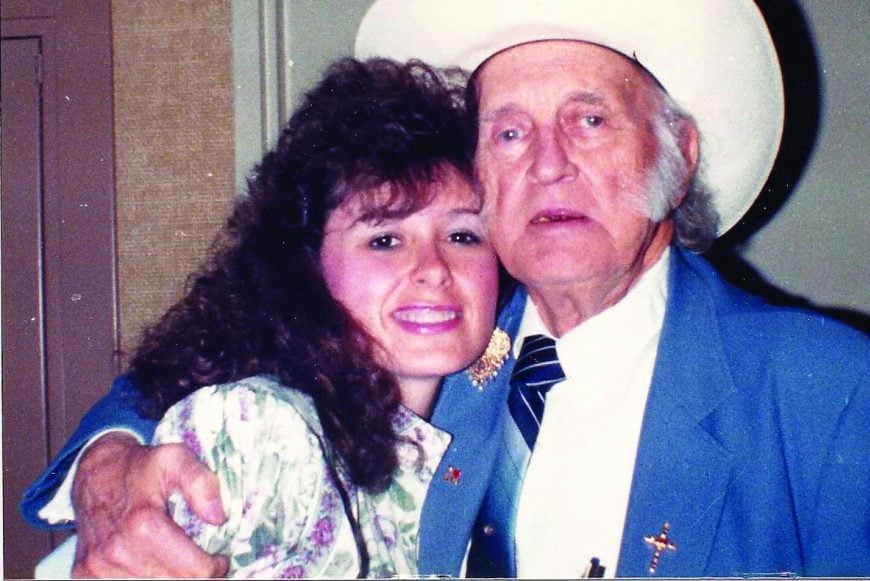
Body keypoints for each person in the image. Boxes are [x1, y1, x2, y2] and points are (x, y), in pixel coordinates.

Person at [22, 0, 870, 577]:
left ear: (678, 158)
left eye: (589, 119)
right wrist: (112, 464)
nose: (547, 163)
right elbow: (191, 375)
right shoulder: (434, 333)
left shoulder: (829, 392)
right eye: (507, 132)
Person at [26, 57, 512, 578]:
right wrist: (111, 452)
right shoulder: (263, 434)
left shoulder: (424, 431)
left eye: (463, 235)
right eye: (385, 240)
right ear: (307, 267)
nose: (434, 270)